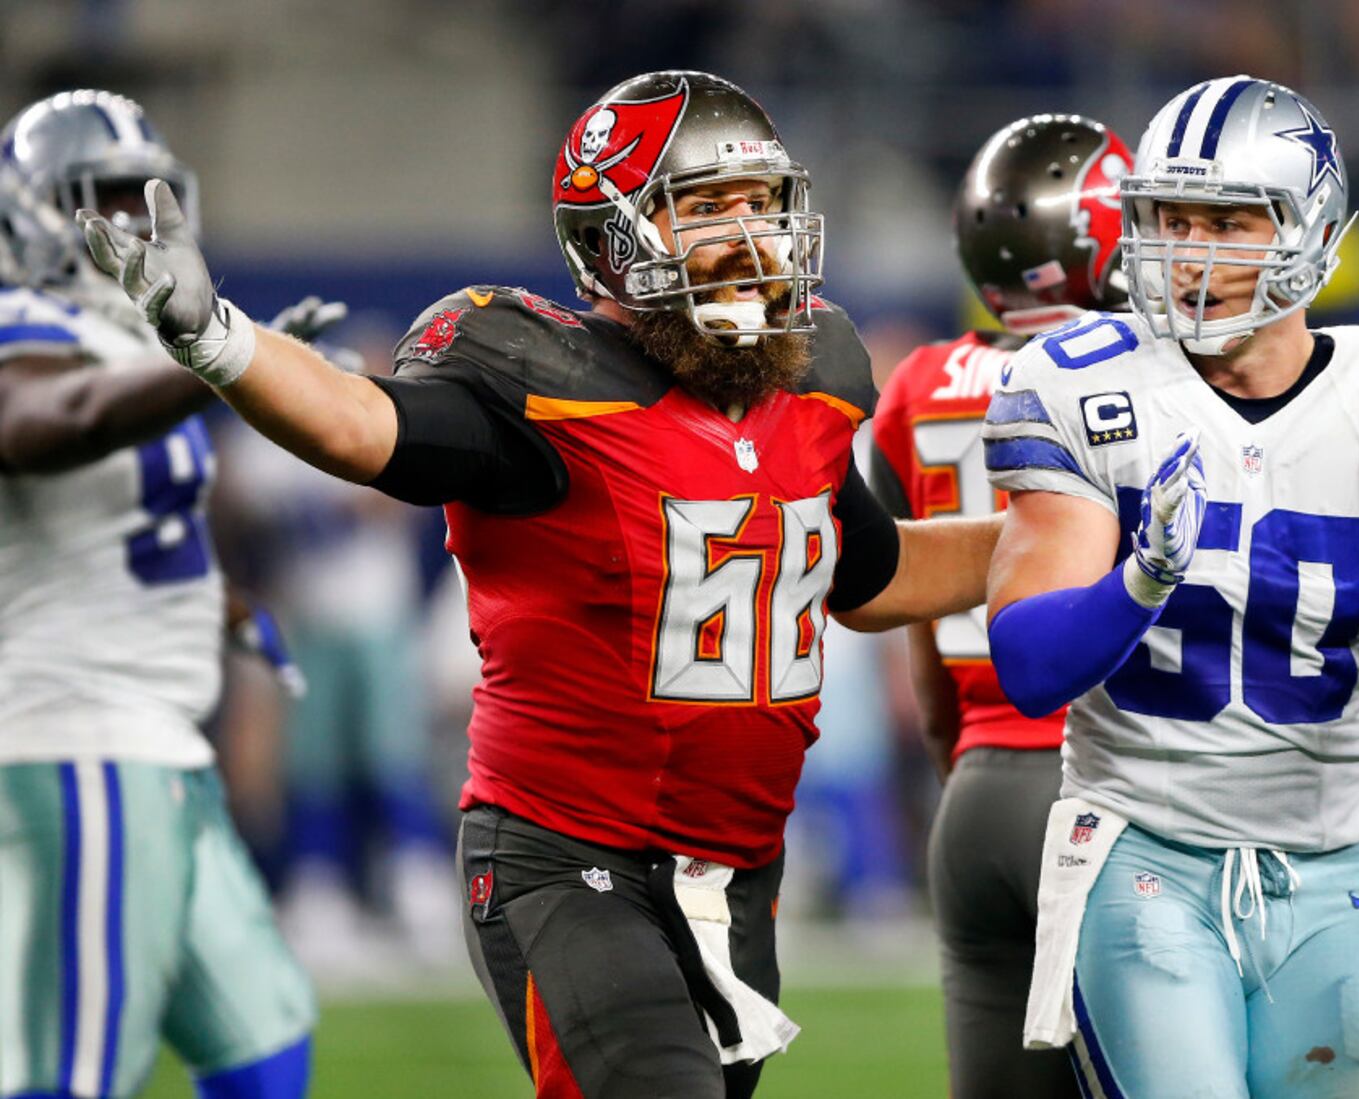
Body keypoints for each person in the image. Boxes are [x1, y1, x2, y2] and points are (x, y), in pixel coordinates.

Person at [76, 70, 1002, 1099]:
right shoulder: (541, 374)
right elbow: (361, 424)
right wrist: (221, 340)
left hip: (736, 875)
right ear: (615, 237)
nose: (750, 239)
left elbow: (868, 575)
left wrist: (1063, 540)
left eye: (762, 205)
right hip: (565, 860)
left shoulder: (814, 373)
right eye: (704, 209)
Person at [981, 76, 1359, 1098]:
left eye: (1228, 221)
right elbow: (1032, 669)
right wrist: (1140, 580)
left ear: (1312, 230)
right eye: (1167, 221)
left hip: (1329, 871)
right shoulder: (1084, 384)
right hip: (1143, 854)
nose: (1191, 253)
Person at [0, 90, 317, 1099]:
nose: (129, 225)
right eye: (96, 199)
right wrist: (214, 359)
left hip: (163, 745)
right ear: (27, 211)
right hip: (74, 737)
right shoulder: (23, 321)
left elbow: (130, 523)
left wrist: (222, 609)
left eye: (142, 199)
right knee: (71, 1073)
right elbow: (52, 419)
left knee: (265, 1044)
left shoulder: (141, 342)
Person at [867, 112, 1135, 1099]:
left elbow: (919, 606)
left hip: (976, 793)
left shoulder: (918, 385)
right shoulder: (1142, 374)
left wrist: (959, 760)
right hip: (1110, 785)